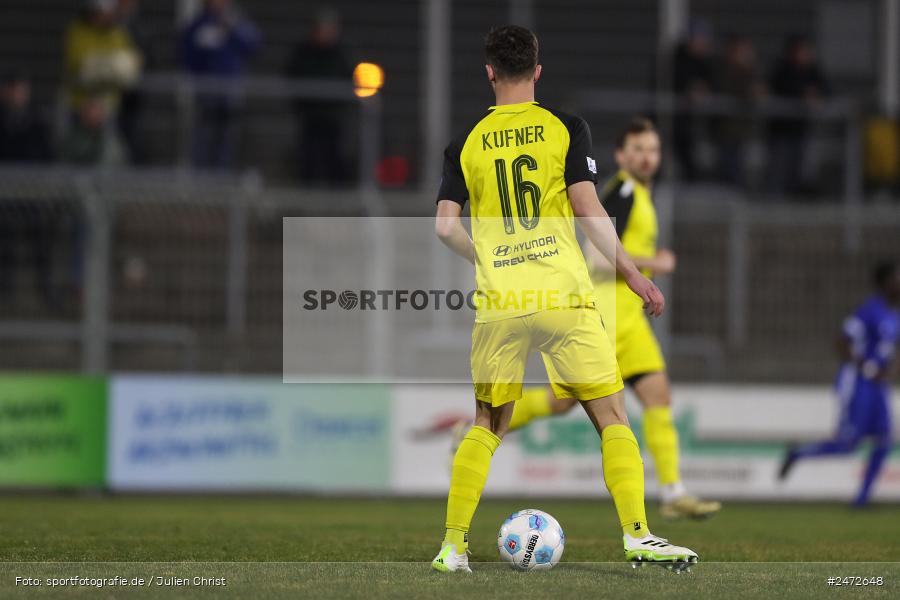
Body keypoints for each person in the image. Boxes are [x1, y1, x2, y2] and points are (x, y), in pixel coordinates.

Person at [431, 26, 698, 573]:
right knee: (612, 415)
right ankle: (638, 535)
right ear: (537, 70)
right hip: (564, 297)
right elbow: (588, 209)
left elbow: (444, 227)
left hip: (502, 302)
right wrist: (635, 275)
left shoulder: (466, 141)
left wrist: (486, 258)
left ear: (489, 72)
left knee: (486, 423)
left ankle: (452, 547)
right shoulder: (565, 127)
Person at [466, 118, 721, 520]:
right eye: (637, 149)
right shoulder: (622, 192)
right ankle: (478, 430)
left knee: (658, 395)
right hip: (607, 315)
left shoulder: (640, 194)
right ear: (620, 156)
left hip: (631, 320)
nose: (646, 157)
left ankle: (673, 491)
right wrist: (654, 263)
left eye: (652, 149)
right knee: (563, 402)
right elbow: (596, 257)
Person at [779, 261, 899, 506]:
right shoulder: (868, 311)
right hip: (858, 383)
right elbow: (841, 342)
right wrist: (868, 368)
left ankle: (862, 500)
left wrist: (891, 371)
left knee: (885, 440)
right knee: (848, 444)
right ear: (884, 282)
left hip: (878, 387)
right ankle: (798, 453)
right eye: (897, 278)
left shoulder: (894, 314)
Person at [180, 0, 260, 169]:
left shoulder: (238, 21)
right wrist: (199, 77)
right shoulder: (199, 24)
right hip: (206, 91)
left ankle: (223, 175)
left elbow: (252, 46)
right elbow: (187, 54)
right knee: (204, 136)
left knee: (228, 138)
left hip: (230, 92)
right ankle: (201, 177)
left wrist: (233, 29)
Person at [63, 0, 142, 155]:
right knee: (76, 151)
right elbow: (80, 65)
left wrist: (98, 66)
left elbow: (130, 66)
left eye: (107, 12)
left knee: (110, 152)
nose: (104, 16)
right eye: (100, 12)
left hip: (109, 106)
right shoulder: (78, 31)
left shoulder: (117, 33)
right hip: (80, 106)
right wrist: (111, 67)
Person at [287, 7, 353, 185]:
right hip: (310, 116)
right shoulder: (303, 52)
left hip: (333, 118)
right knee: (308, 158)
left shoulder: (341, 53)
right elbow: (292, 75)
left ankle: (336, 192)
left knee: (335, 158)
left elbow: (349, 78)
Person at [767, 34, 829, 196]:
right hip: (781, 131)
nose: (802, 55)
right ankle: (775, 201)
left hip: (801, 130)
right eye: (799, 51)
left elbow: (826, 89)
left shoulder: (812, 70)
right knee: (779, 171)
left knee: (800, 171)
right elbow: (781, 87)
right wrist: (802, 94)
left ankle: (795, 198)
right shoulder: (782, 69)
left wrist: (816, 94)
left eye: (805, 51)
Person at [714, 35, 765, 186]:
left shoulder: (748, 71)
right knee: (727, 165)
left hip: (741, 129)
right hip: (725, 127)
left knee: (738, 165)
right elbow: (728, 90)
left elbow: (756, 92)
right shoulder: (723, 70)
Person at [671, 19, 715, 181]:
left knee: (691, 163)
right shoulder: (675, 60)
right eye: (699, 39)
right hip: (673, 122)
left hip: (693, 125)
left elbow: (712, 83)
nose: (703, 44)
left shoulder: (705, 62)